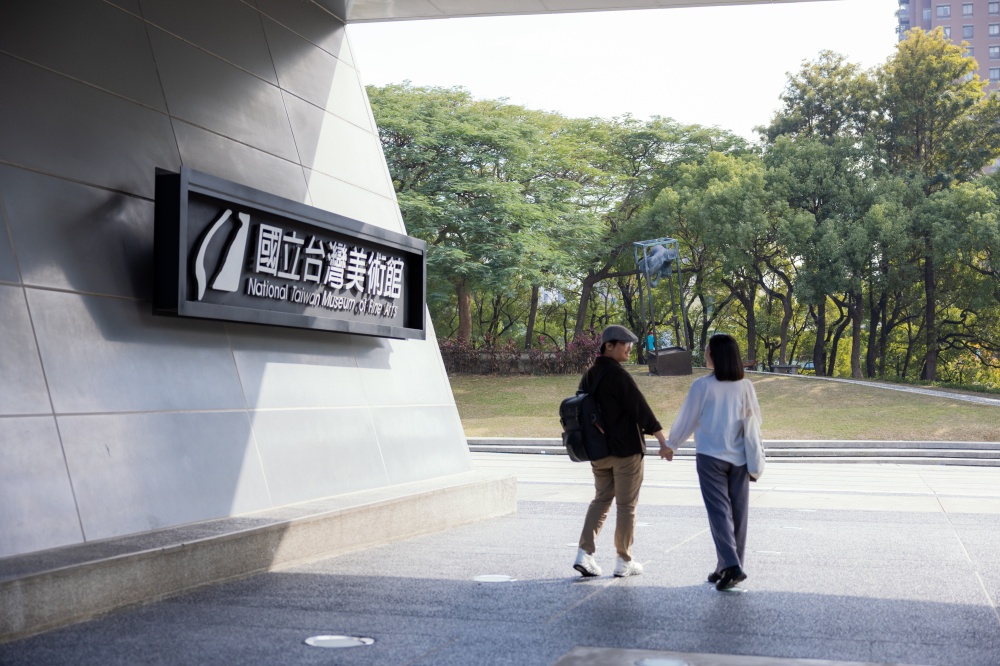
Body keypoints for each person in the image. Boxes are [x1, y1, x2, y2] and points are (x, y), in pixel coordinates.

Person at [660, 333, 761, 591]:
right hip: (739, 458)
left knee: (719, 513)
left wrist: (671, 445)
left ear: (715, 356)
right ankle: (727, 565)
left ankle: (730, 565)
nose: (705, 354)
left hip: (710, 457)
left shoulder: (702, 386)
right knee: (738, 514)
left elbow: (688, 419)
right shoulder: (745, 386)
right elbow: (754, 422)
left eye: (707, 350)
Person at [573, 325, 672, 579]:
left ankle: (584, 554)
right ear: (609, 346)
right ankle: (623, 560)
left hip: (599, 453)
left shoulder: (589, 376)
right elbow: (640, 409)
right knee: (626, 506)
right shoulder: (618, 375)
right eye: (624, 343)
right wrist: (662, 441)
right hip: (626, 452)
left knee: (601, 500)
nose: (629, 348)